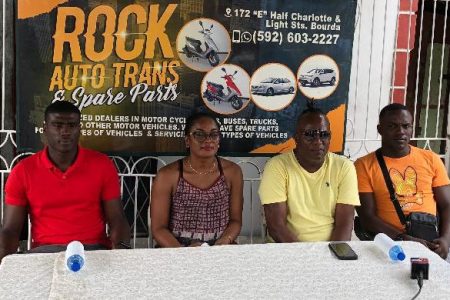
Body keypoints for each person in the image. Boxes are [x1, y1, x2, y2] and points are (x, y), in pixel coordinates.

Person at [0, 101, 131, 263]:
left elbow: (117, 218)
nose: (65, 132)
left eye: (71, 125)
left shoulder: (102, 165)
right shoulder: (23, 171)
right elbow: (10, 229)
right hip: (45, 253)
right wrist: (5, 263)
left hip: (93, 251)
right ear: (45, 128)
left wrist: (122, 251)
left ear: (80, 129)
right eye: (57, 125)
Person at [354, 103, 450, 259]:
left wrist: (446, 240)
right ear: (380, 130)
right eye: (392, 126)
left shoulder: (431, 159)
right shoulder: (364, 165)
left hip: (432, 242)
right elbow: (367, 218)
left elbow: (447, 205)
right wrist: (404, 239)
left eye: (406, 126)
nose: (401, 132)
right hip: (390, 245)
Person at [259, 105, 360, 242]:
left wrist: (334, 256)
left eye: (324, 135)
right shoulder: (277, 167)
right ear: (296, 138)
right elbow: (277, 228)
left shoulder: (344, 167)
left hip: (330, 249)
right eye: (309, 135)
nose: (318, 142)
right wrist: (305, 259)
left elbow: (344, 226)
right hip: (287, 250)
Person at [151, 112, 243, 247]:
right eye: (199, 134)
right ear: (187, 141)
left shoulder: (232, 172)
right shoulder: (168, 175)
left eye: (214, 134)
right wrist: (184, 252)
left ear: (219, 140)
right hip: (176, 248)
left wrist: (225, 241)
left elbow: (235, 221)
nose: (208, 140)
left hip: (221, 247)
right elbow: (158, 229)